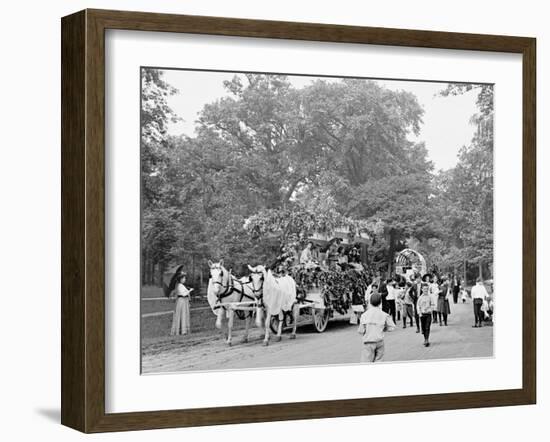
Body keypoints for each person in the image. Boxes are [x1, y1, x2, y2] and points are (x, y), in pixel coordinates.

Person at [357, 293, 395, 362]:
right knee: (379, 361)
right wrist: (384, 328)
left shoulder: (364, 315)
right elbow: (391, 327)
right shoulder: (384, 315)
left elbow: (361, 330)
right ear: (380, 302)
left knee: (366, 362)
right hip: (379, 341)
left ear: (370, 302)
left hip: (368, 342)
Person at [416, 282, 435, 347]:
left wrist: (430, 309)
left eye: (427, 289)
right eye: (424, 289)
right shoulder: (420, 298)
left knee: (427, 327)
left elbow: (432, 305)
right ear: (422, 289)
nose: (425, 290)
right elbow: (418, 306)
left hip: (428, 314)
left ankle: (427, 340)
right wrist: (419, 313)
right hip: (422, 315)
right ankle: (425, 338)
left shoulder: (430, 297)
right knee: (423, 328)